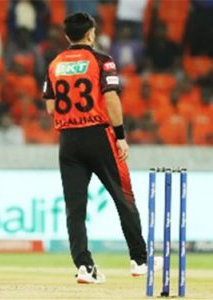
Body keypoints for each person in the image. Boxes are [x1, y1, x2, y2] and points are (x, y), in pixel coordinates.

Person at [42, 12, 161, 284]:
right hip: (99, 136)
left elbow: (50, 107)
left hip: (68, 141)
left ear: (66, 35)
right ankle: (140, 260)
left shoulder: (55, 64)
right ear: (91, 33)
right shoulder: (102, 61)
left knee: (75, 208)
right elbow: (111, 99)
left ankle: (84, 267)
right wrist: (120, 135)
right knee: (124, 198)